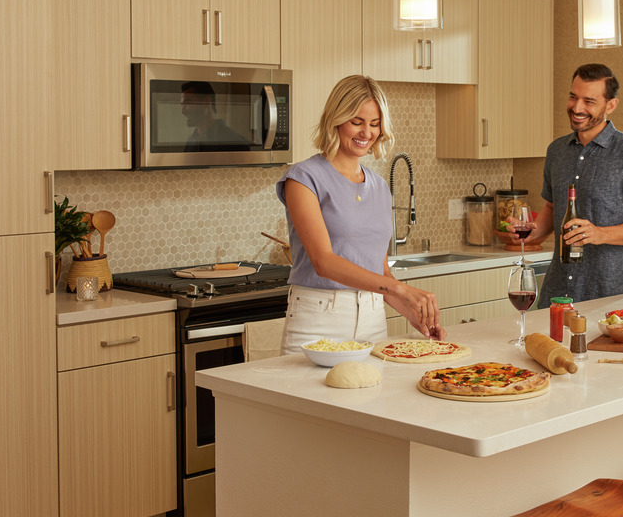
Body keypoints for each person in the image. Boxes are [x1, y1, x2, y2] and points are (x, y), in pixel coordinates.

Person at [276, 75, 444, 355]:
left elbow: (380, 271)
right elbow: (324, 262)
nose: (366, 132)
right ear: (336, 119)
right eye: (357, 122)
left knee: (370, 397)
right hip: (317, 318)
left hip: (372, 319)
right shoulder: (303, 179)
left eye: (375, 124)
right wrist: (400, 289)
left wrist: (413, 314)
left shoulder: (378, 186)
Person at [497, 63, 623, 305]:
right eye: (573, 97)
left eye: (589, 101)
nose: (577, 108)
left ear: (611, 105)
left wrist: (600, 234)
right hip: (558, 293)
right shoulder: (557, 151)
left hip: (611, 299)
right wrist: (531, 231)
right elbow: (553, 209)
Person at [181, 81, 246, 150]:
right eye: (182, 105)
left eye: (188, 103)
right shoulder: (190, 142)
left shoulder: (235, 142)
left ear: (206, 101)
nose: (183, 111)